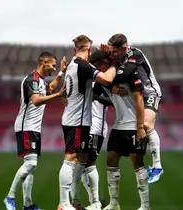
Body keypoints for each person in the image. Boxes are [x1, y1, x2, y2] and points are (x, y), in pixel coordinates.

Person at [58, 35, 117, 210]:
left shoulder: (71, 67)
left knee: (83, 162)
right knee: (74, 160)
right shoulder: (84, 67)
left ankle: (82, 201)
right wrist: (113, 62)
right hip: (80, 121)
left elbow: (62, 92)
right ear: (89, 50)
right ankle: (66, 203)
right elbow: (106, 79)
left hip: (77, 119)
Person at [4, 52, 67, 210]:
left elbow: (50, 88)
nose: (54, 67)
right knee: (31, 163)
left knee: (31, 165)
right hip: (26, 126)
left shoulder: (41, 81)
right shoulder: (32, 79)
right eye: (53, 64)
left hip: (34, 127)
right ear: (44, 62)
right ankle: (10, 197)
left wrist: (61, 72)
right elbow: (37, 100)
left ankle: (28, 204)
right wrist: (59, 95)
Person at [106, 33, 164, 183]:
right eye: (111, 51)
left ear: (124, 48)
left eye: (115, 51)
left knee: (145, 124)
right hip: (138, 95)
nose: (113, 54)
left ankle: (157, 166)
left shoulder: (135, 54)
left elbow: (124, 74)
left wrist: (109, 83)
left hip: (151, 93)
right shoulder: (121, 56)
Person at [96, 48, 149, 210]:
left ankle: (145, 206)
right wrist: (111, 89)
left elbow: (140, 100)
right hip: (119, 126)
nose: (98, 70)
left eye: (100, 65)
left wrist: (140, 127)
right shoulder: (105, 80)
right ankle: (114, 203)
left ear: (107, 63)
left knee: (137, 163)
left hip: (134, 125)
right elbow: (94, 91)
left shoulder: (128, 73)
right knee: (111, 160)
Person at [71, 50, 113, 210]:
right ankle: (90, 201)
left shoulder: (102, 81)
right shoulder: (92, 78)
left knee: (87, 164)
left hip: (95, 127)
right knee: (82, 165)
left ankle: (91, 201)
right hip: (86, 125)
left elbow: (111, 101)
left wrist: (98, 97)